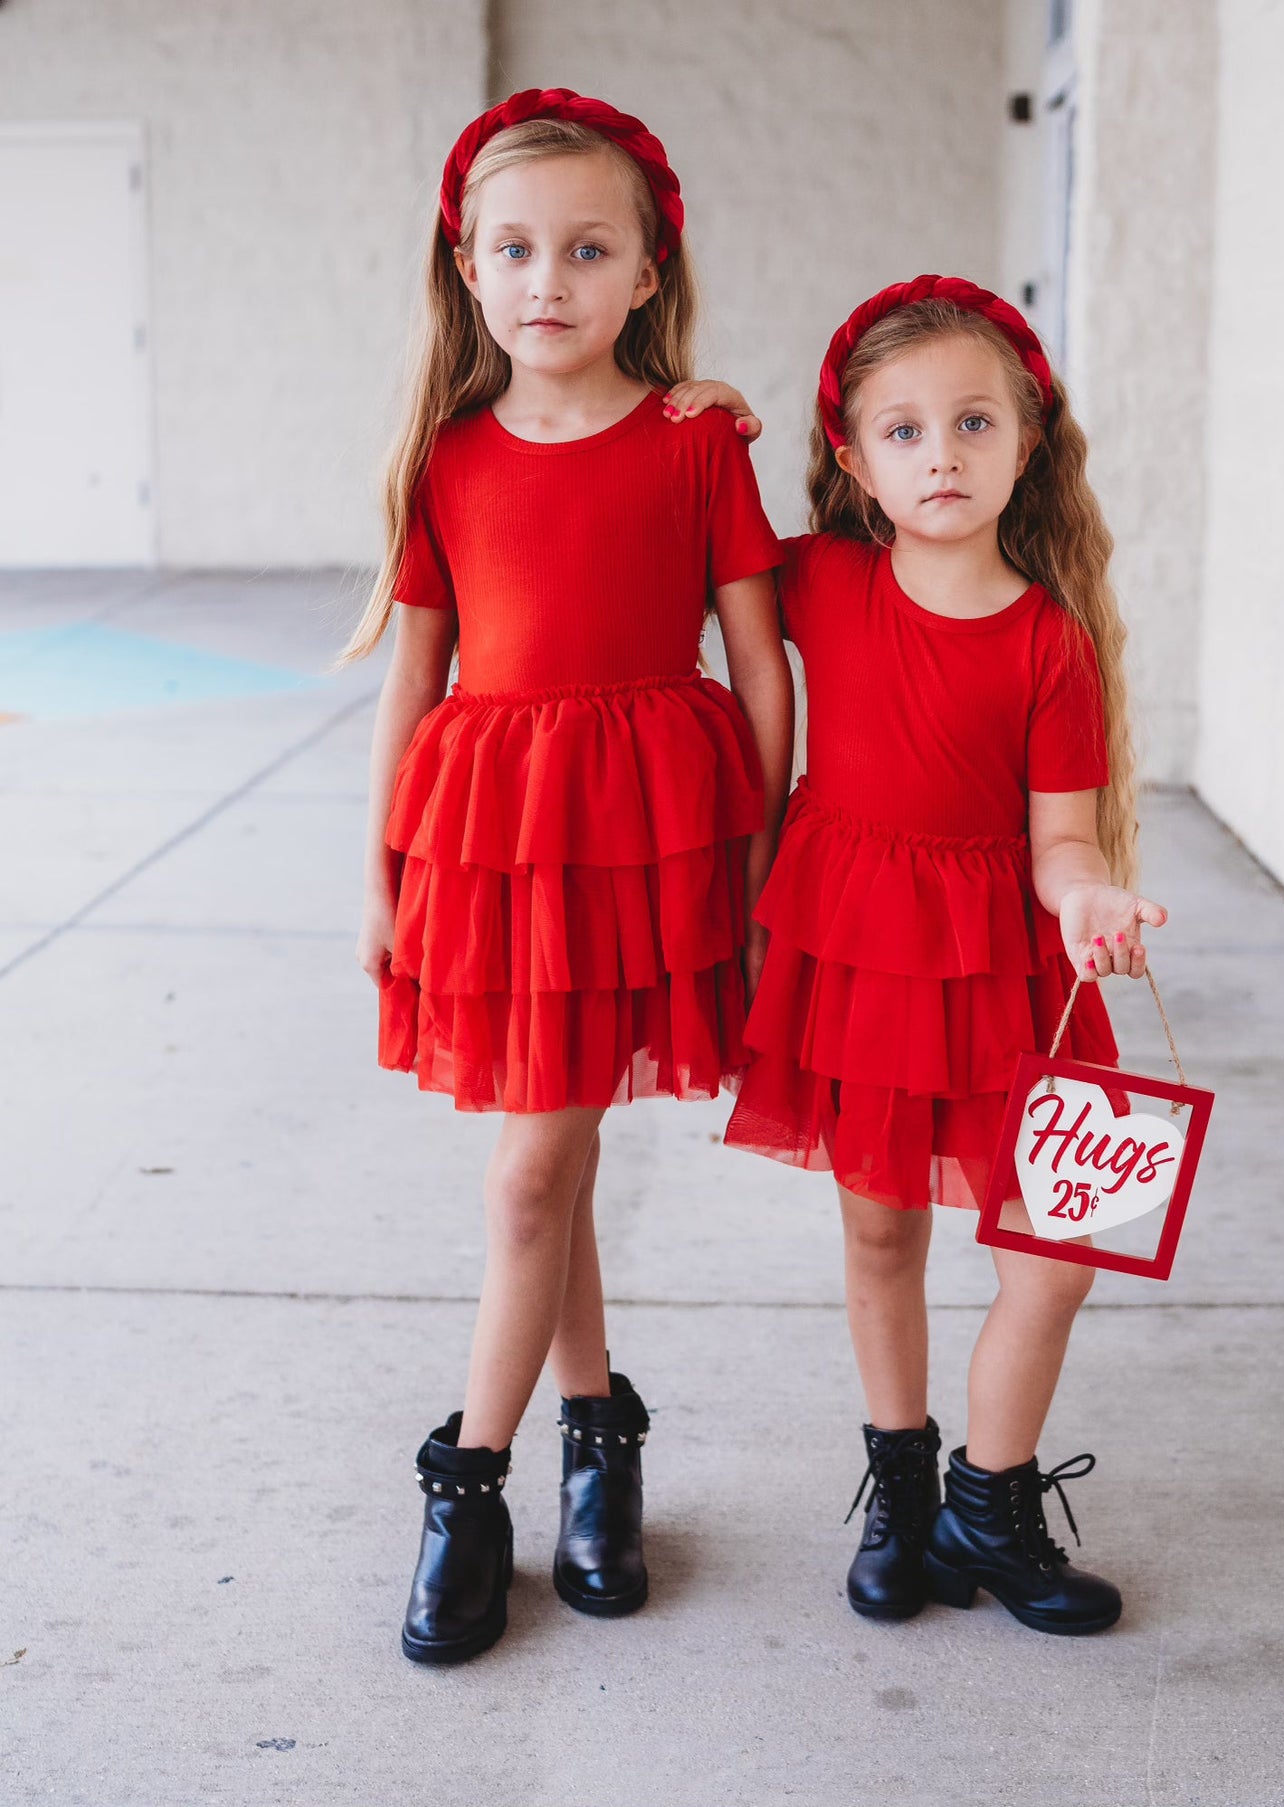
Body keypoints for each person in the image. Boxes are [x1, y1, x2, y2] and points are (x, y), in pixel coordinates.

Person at [334, 88, 792, 1664]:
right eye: (515, 249)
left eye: (587, 250)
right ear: (467, 270)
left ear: (647, 271)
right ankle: (582, 1440)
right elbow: (414, 676)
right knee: (549, 1156)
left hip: (645, 832)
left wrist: (761, 844)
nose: (550, 280)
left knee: (537, 1165)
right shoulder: (446, 461)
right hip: (500, 840)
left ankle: (478, 1477)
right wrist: (384, 866)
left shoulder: (696, 443)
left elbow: (758, 660)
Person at [721, 275, 1167, 1634]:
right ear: (853, 461)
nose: (941, 455)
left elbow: (1060, 838)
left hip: (1011, 971)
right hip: (858, 953)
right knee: (878, 1229)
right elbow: (690, 527)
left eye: (973, 423)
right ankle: (902, 1494)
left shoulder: (1048, 642)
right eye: (903, 431)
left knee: (1055, 1253)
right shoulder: (822, 579)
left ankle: (991, 1495)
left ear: (1025, 443)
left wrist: (1088, 896)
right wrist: (696, 412)